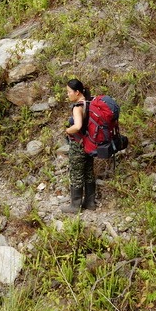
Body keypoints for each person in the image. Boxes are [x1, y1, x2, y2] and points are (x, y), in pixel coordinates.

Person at [63, 79, 96, 214]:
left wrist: (68, 130)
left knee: (76, 173)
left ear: (77, 92)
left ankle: (75, 206)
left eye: (69, 92)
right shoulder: (90, 102)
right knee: (88, 171)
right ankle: (90, 202)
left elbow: (78, 126)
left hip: (78, 145)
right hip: (90, 144)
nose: (68, 95)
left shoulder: (78, 107)